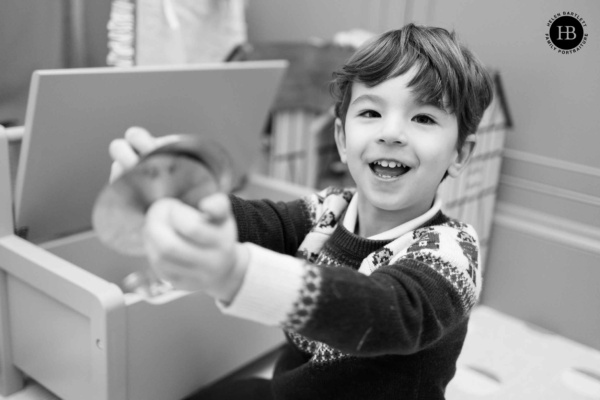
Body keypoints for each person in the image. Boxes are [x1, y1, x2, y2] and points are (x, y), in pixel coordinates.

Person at [109, 23, 493, 400]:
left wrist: (235, 273)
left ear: (459, 153)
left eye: (423, 118)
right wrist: (184, 194)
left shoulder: (452, 254)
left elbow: (387, 313)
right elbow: (265, 223)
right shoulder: (329, 209)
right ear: (342, 140)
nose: (390, 133)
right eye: (371, 113)